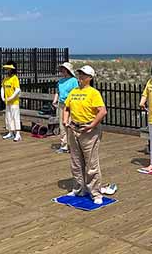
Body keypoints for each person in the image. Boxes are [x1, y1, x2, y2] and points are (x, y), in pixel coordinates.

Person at [62, 65, 108, 205]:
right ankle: (79, 188)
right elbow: (66, 107)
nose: (80, 77)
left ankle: (95, 192)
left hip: (88, 130)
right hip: (74, 128)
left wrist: (92, 125)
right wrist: (65, 120)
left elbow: (102, 111)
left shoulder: (93, 93)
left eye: (83, 75)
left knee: (91, 163)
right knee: (76, 162)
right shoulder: (74, 91)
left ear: (90, 78)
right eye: (79, 74)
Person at [53, 62, 79, 153]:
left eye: (64, 69)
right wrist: (55, 100)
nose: (62, 71)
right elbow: (58, 92)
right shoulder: (60, 81)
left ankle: (72, 145)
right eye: (62, 69)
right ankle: (64, 145)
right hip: (61, 104)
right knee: (62, 125)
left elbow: (76, 92)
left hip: (70, 105)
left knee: (70, 125)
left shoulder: (74, 80)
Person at [1, 60, 22, 142]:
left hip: (14, 102)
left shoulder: (15, 78)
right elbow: (2, 87)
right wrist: (3, 97)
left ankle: (18, 134)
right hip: (7, 102)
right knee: (8, 117)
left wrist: (11, 98)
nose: (8, 71)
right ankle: (10, 132)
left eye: (9, 69)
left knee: (15, 117)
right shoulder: (5, 79)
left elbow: (17, 90)